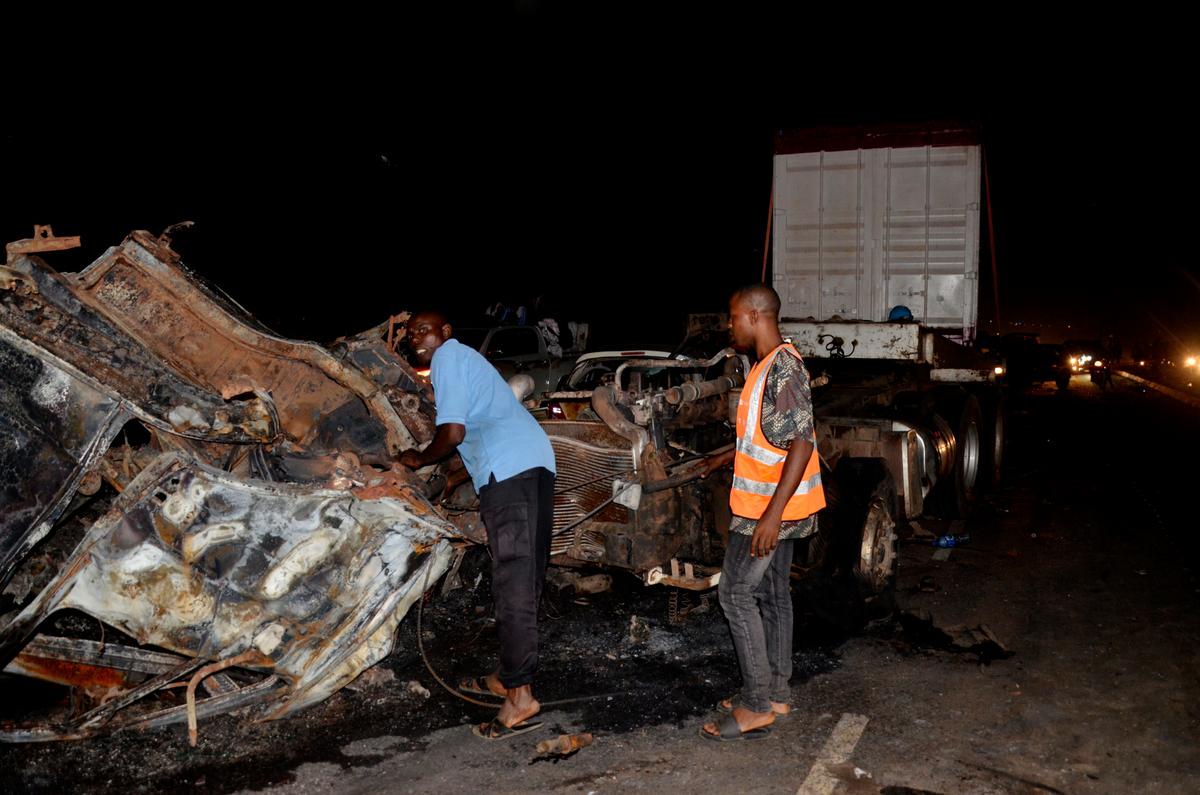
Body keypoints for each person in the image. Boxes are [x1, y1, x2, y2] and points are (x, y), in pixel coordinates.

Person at [399, 310, 557, 740]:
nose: (417, 337)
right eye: (411, 333)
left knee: (515, 586)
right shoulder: (467, 360)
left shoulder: (448, 357)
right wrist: (451, 478)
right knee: (523, 580)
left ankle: (520, 696)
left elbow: (451, 434)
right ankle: (509, 677)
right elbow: (475, 435)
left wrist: (413, 458)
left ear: (445, 332)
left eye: (424, 330)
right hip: (528, 467)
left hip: (512, 475)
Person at [699, 284, 825, 741]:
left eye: (734, 317)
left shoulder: (783, 369)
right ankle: (774, 691)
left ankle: (756, 706)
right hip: (776, 505)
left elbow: (802, 443)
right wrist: (722, 458)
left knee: (734, 595)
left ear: (755, 315)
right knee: (773, 597)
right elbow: (766, 439)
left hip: (767, 511)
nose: (730, 325)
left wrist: (771, 517)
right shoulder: (767, 366)